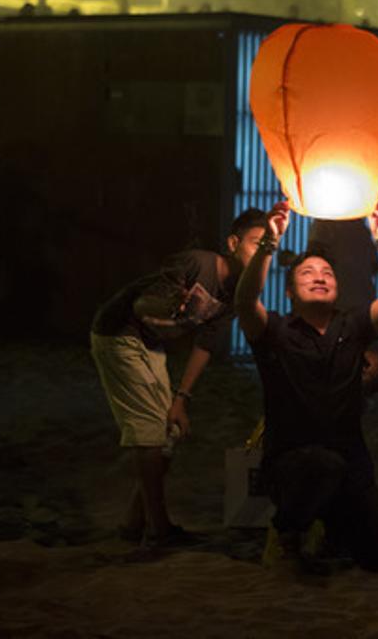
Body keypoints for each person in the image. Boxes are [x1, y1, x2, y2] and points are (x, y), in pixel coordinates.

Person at [235, 201, 378, 573]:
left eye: (327, 272)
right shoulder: (276, 332)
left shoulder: (352, 327)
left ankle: (331, 524)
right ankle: (286, 534)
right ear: (289, 293)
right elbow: (244, 300)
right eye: (307, 273)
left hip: (349, 465)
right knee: (321, 465)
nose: (320, 276)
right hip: (294, 464)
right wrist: (270, 242)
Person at [89, 208, 268, 546]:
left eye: (269, 247)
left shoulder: (236, 295)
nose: (262, 254)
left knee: (167, 431)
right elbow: (143, 305)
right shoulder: (198, 262)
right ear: (233, 242)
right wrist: (171, 307)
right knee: (149, 432)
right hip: (118, 332)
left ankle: (134, 521)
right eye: (257, 243)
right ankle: (158, 529)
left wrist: (181, 399)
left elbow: (206, 344)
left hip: (152, 344)